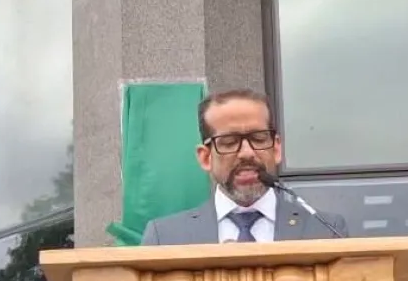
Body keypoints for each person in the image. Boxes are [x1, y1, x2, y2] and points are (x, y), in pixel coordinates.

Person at [140, 89, 348, 245]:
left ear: (276, 149)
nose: (247, 152)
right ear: (205, 157)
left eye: (258, 139)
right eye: (229, 142)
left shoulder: (325, 230)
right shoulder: (165, 237)